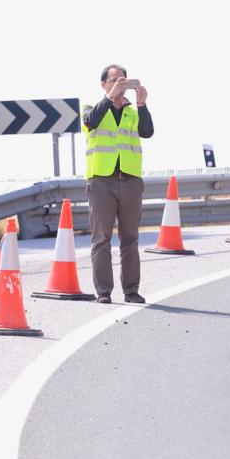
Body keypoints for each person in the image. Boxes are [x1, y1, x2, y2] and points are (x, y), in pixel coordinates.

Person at [82, 64, 154, 304]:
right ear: (103, 84)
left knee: (130, 239)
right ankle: (103, 291)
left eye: (123, 80)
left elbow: (147, 132)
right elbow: (91, 122)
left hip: (130, 180)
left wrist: (142, 105)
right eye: (114, 80)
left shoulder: (132, 111)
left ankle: (131, 291)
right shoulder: (91, 108)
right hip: (101, 181)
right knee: (101, 239)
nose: (119, 84)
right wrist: (110, 97)